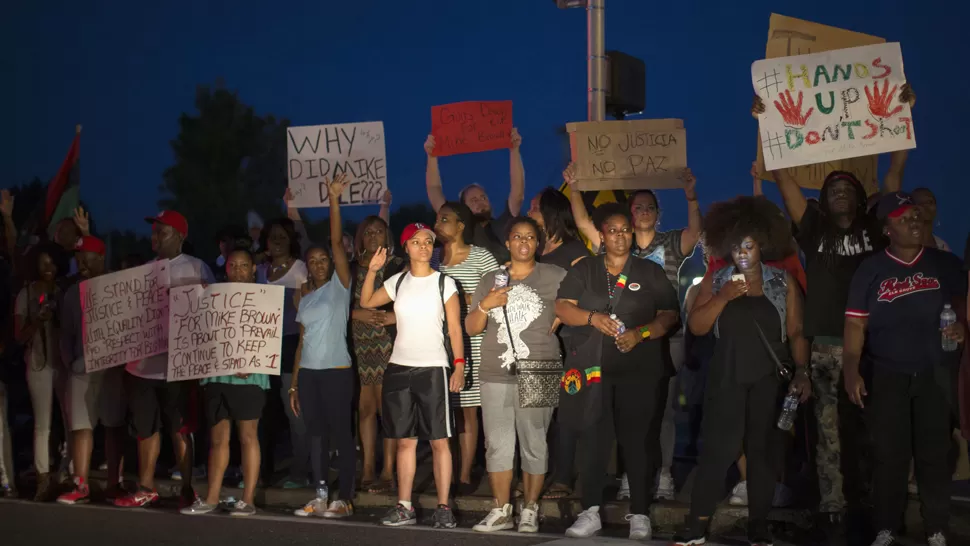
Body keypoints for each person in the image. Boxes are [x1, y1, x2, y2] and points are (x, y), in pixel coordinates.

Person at [753, 89, 912, 530]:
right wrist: (767, 124)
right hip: (823, 348)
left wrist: (903, 114)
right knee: (827, 436)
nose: (840, 192)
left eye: (847, 189)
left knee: (872, 432)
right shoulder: (812, 228)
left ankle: (874, 507)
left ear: (862, 200)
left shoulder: (875, 228)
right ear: (823, 200)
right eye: (832, 189)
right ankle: (833, 509)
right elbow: (783, 179)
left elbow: (895, 175)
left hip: (873, 349)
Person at [675, 196, 810, 546]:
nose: (743, 254)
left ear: (761, 244)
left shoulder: (782, 282)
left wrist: (802, 371)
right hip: (726, 377)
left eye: (748, 245)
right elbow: (699, 326)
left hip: (766, 380)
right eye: (736, 247)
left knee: (762, 453)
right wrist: (723, 298)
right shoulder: (718, 280)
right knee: (717, 451)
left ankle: (758, 527)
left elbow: (795, 331)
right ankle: (695, 527)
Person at [565, 164, 701, 501]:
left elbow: (696, 231)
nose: (642, 212)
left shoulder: (670, 242)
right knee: (625, 410)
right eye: (637, 207)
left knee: (664, 409)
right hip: (618, 339)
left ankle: (665, 474)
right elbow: (584, 223)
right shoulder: (616, 242)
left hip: (665, 338)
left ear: (657, 214)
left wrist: (691, 194)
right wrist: (576, 187)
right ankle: (630, 475)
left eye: (649, 207)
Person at [843, 193, 965, 546]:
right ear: (886, 229)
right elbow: (854, 325)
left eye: (915, 215)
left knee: (934, 454)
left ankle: (936, 527)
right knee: (889, 455)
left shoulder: (946, 264)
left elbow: (965, 309)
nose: (912, 221)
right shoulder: (871, 269)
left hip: (934, 374)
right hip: (887, 374)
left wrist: (963, 329)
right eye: (902, 218)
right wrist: (851, 366)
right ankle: (886, 526)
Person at [555, 203, 680, 540]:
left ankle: (640, 513)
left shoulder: (650, 271)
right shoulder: (585, 270)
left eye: (626, 229)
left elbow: (670, 314)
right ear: (602, 235)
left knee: (638, 441)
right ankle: (591, 510)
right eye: (613, 230)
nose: (621, 235)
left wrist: (640, 333)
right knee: (593, 439)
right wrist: (592, 318)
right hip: (595, 370)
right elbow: (563, 307)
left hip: (640, 369)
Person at [359, 224, 465, 529]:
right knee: (405, 441)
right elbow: (367, 302)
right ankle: (404, 505)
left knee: (439, 441)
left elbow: (455, 329)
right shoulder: (398, 281)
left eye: (428, 242)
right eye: (416, 242)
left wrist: (458, 365)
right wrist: (372, 270)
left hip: (433, 368)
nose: (422, 246)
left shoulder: (445, 283)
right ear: (405, 246)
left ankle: (443, 507)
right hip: (399, 368)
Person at [466, 216, 566, 533]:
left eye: (530, 237)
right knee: (497, 443)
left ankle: (531, 509)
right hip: (495, 371)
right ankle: (501, 509)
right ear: (507, 243)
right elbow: (471, 327)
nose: (523, 242)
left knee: (534, 441)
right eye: (517, 237)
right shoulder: (490, 279)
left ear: (538, 243)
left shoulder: (556, 275)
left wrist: (560, 319)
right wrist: (484, 305)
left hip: (540, 368)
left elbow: (577, 302)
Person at [115, 210, 215, 508]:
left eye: (163, 232)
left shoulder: (197, 268)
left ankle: (187, 487)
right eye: (154, 232)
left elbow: (211, 313)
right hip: (144, 367)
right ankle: (146, 486)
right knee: (146, 429)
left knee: (180, 428)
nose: (155, 237)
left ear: (181, 237)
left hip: (179, 368)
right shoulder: (143, 272)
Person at [180, 246, 267, 517]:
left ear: (253, 269)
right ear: (225, 268)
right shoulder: (212, 296)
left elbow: (266, 336)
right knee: (218, 439)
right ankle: (212, 497)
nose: (238, 270)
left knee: (248, 436)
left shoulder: (264, 298)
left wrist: (250, 361)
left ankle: (248, 500)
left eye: (244, 265)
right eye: (233, 265)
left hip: (250, 378)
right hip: (217, 376)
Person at [289, 174, 357, 519]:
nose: (318, 264)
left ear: (331, 263)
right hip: (311, 373)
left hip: (337, 371)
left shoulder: (340, 286)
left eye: (323, 259)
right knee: (315, 435)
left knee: (341, 433)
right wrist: (295, 381)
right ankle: (319, 494)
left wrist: (333, 200)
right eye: (312, 260)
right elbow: (302, 341)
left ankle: (343, 497)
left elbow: (334, 240)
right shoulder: (306, 298)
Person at [432, 201, 500, 494]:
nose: (438, 224)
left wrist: (463, 301)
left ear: (461, 226)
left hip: (472, 342)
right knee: (445, 411)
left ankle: (464, 475)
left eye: (445, 219)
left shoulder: (481, 256)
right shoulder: (432, 259)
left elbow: (500, 287)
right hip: (438, 343)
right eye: (437, 219)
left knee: (468, 410)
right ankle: (445, 470)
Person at [56, 236, 128, 505]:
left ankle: (113, 483)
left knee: (113, 424)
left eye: (86, 256)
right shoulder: (73, 292)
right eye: (77, 257)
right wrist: (69, 361)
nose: (81, 262)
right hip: (82, 367)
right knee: (81, 426)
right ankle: (81, 483)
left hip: (112, 368)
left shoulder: (118, 286)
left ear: (101, 256)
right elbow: (66, 333)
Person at [350, 214, 405, 493]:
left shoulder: (397, 265)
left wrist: (391, 316)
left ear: (387, 236)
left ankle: (388, 470)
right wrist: (355, 313)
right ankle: (369, 467)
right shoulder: (351, 269)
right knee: (365, 409)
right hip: (359, 347)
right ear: (361, 237)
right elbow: (340, 306)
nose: (373, 236)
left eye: (379, 232)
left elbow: (409, 299)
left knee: (387, 410)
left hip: (387, 344)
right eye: (368, 232)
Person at [255, 216, 309, 488]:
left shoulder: (300, 269)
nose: (276, 241)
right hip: (261, 346)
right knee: (263, 411)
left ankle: (300, 470)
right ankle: (261, 471)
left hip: (289, 345)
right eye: (271, 236)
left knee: (292, 408)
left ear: (291, 241)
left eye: (282, 236)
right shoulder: (259, 271)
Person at [14, 242, 70, 501]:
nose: (48, 268)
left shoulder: (63, 292)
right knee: (43, 424)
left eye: (52, 262)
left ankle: (68, 473)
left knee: (72, 422)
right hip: (38, 363)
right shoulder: (26, 295)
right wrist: (37, 318)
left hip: (64, 364)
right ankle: (42, 478)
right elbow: (18, 335)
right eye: (43, 262)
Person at [424, 129, 525, 264]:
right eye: (474, 200)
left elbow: (517, 192)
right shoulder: (460, 231)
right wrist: (432, 157)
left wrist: (514, 151)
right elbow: (434, 190)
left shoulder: (504, 224)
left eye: (483, 197)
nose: (481, 202)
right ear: (464, 207)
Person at [527, 187, 589, 269]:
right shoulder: (533, 246)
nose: (529, 213)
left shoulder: (575, 250)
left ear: (550, 213)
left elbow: (587, 280)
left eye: (535, 208)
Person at [911, 188, 951, 252]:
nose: (925, 206)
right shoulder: (903, 245)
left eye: (929, 202)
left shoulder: (942, 246)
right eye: (919, 203)